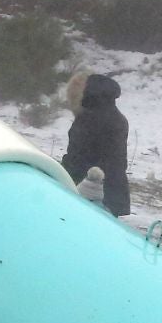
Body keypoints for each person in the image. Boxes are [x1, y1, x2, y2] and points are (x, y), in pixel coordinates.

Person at [60, 73, 129, 217]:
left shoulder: (88, 119)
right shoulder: (119, 118)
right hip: (113, 189)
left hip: (88, 187)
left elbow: (76, 157)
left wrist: (62, 177)